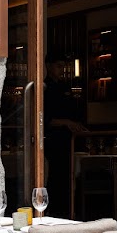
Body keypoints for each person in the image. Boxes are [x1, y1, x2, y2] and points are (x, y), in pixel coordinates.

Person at [43, 49, 86, 217]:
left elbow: (72, 113)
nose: (61, 70)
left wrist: (77, 125)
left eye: (63, 66)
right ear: (48, 66)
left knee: (67, 179)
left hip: (68, 140)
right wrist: (67, 123)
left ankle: (69, 212)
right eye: (58, 66)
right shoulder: (46, 88)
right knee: (56, 179)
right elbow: (45, 119)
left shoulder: (65, 87)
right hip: (54, 141)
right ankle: (55, 213)